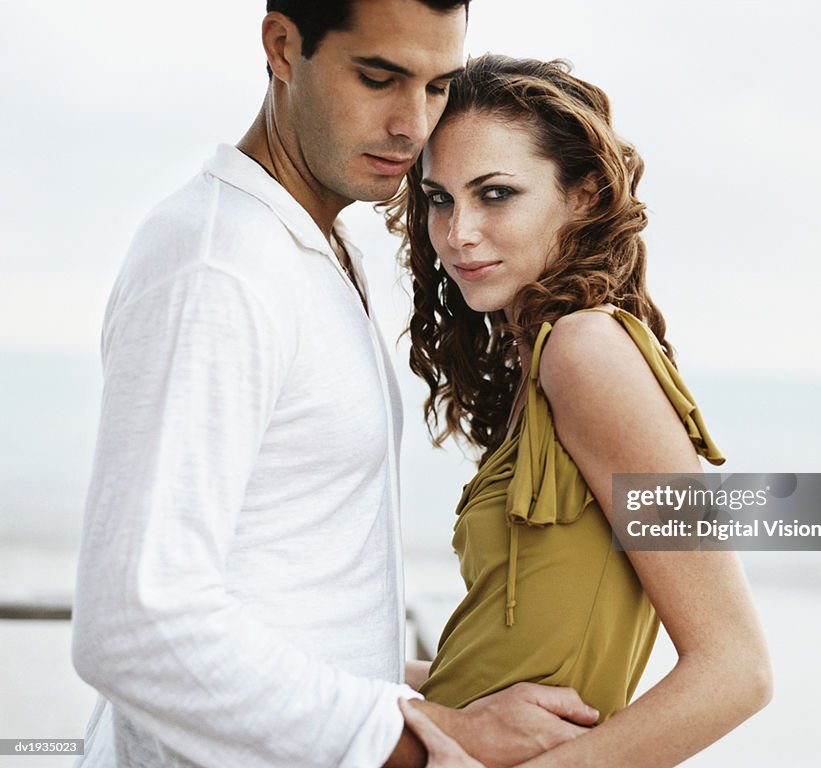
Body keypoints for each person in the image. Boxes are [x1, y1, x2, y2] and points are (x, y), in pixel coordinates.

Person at [70, 7, 600, 768]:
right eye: (379, 78)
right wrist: (420, 745)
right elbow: (134, 622)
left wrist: (430, 704)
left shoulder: (319, 245)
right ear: (284, 47)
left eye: (438, 87)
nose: (412, 125)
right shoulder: (217, 266)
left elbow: (291, 592)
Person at [384, 55, 773, 766]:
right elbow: (501, 659)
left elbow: (735, 671)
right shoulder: (537, 363)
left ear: (586, 197)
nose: (458, 232)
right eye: (439, 198)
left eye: (496, 194)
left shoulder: (585, 350)